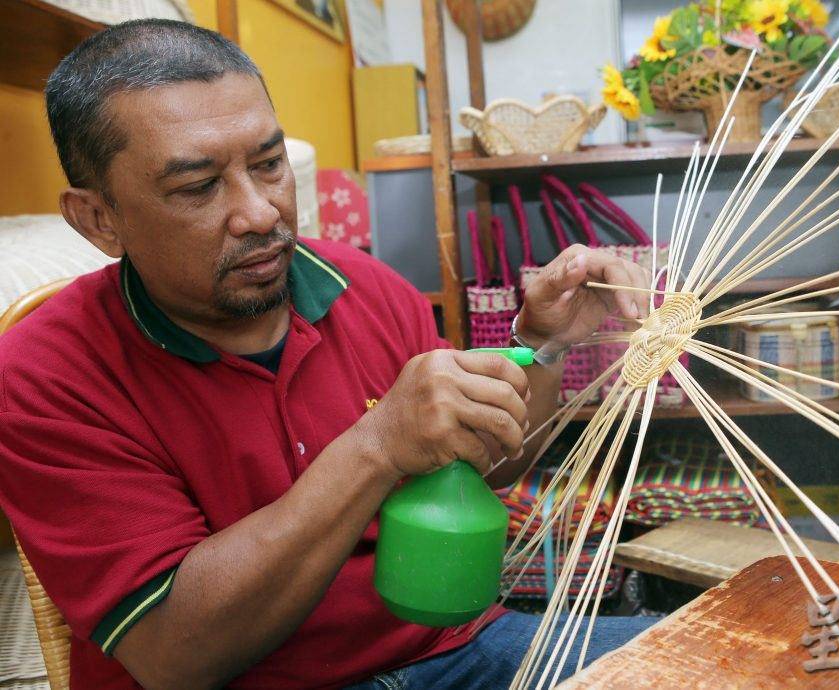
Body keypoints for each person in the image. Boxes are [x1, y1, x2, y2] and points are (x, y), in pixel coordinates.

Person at [0, 19, 655, 690]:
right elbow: (176, 654)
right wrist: (376, 445)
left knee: (727, 662)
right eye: (198, 187)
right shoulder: (45, 373)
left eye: (268, 164)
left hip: (450, 653)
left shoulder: (365, 287)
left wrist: (542, 344)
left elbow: (485, 470)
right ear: (98, 219)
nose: (260, 213)